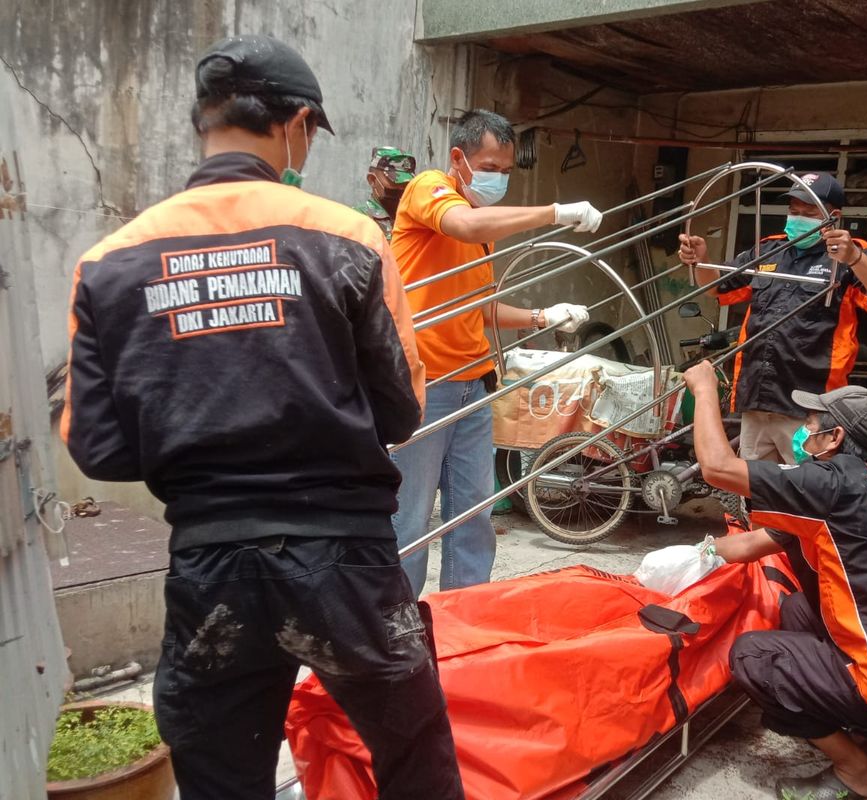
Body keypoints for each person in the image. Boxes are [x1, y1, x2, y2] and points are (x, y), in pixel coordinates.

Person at [61, 35, 463, 800]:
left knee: (220, 780)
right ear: (297, 124)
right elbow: (401, 408)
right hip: (346, 562)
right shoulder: (347, 238)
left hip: (211, 566)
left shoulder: (110, 261)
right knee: (415, 764)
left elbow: (98, 449)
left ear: (203, 123)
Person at [682, 360, 867, 800]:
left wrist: (704, 391)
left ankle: (856, 772)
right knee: (798, 607)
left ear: (834, 438)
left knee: (754, 657)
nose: (803, 431)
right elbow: (743, 547)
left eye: (811, 424)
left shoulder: (829, 485)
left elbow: (717, 468)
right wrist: (690, 557)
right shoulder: (862, 489)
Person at [389, 108, 602, 595]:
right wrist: (556, 213)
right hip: (426, 388)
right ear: (459, 159)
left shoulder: (482, 232)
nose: (498, 179)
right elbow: (463, 225)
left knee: (474, 517)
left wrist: (542, 317)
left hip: (474, 387)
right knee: (411, 522)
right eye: (489, 168)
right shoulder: (430, 190)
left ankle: (465, 621)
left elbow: (479, 307)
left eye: (506, 172)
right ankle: (396, 632)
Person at [678, 172, 867, 464]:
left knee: (806, 491)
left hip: (812, 409)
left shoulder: (851, 256)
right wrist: (701, 260)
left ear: (832, 216)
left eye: (808, 212)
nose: (797, 218)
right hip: (758, 398)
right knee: (755, 489)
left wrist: (855, 259)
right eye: (793, 211)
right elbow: (716, 286)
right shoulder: (770, 249)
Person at [354, 146, 417, 238]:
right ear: (372, 180)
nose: (401, 188)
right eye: (395, 181)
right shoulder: (359, 219)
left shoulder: (413, 220)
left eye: (406, 183)